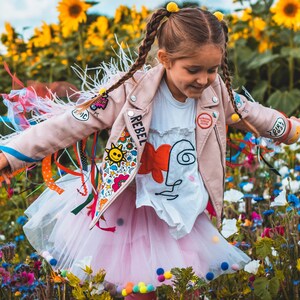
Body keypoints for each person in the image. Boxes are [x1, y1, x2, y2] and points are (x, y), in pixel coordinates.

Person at [0, 2, 299, 299]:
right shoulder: (130, 93)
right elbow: (69, 124)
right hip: (133, 204)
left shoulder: (214, 92)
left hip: (183, 205)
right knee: (139, 286)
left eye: (212, 69)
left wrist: (287, 129)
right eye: (193, 69)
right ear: (165, 59)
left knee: (186, 283)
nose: (203, 79)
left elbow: (250, 113)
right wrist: (12, 155)